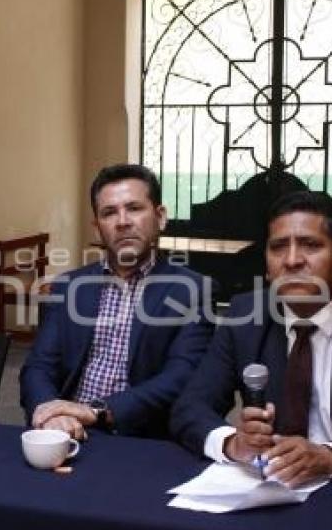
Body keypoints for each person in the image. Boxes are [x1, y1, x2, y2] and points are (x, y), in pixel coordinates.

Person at [171, 191, 332, 484]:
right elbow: (189, 408)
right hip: (270, 486)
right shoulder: (245, 316)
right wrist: (233, 442)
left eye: (310, 245)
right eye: (278, 247)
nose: (292, 260)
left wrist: (331, 457)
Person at [20, 164, 214, 439]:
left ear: (160, 217)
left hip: (140, 439)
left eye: (134, 208)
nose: (122, 222)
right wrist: (51, 413)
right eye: (109, 213)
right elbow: (38, 367)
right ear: (97, 228)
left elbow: (182, 376)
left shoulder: (191, 290)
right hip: (68, 430)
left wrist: (99, 411)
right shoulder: (69, 286)